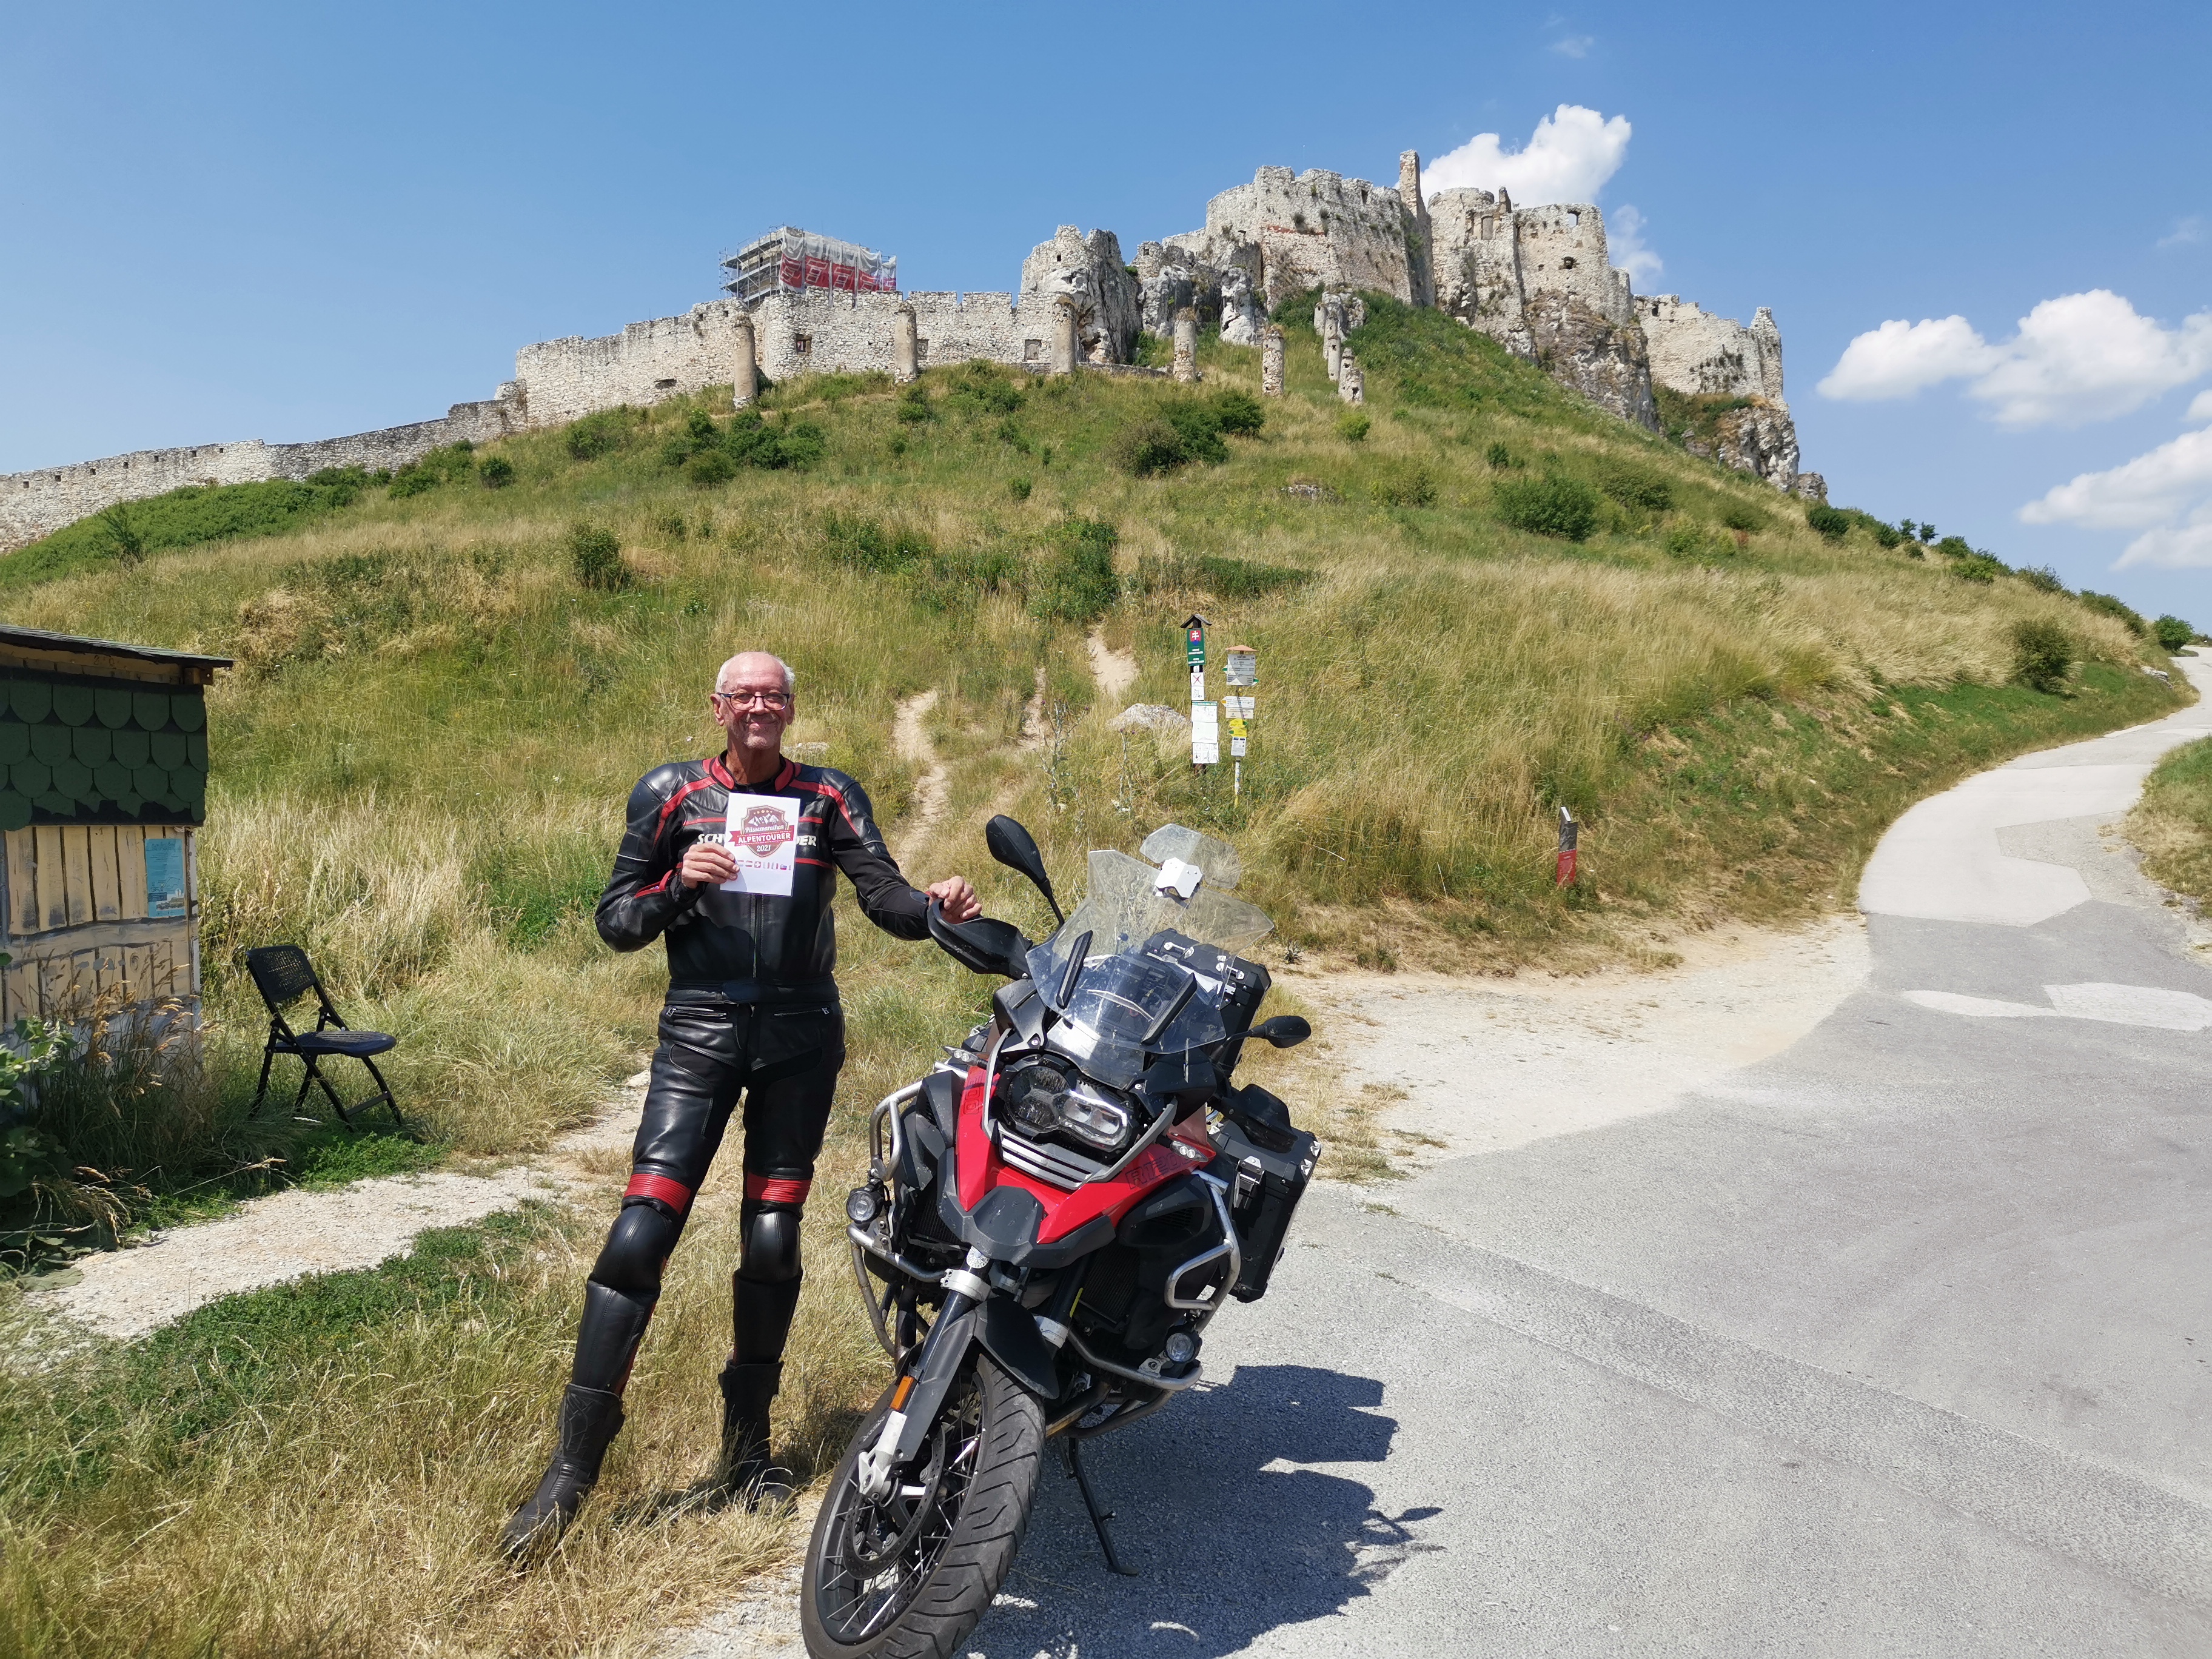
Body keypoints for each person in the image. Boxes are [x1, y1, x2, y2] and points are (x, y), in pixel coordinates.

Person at [502, 650, 977, 1557]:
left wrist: (936, 906)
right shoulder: (671, 793)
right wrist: (679, 882)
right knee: (640, 1233)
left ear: (790, 709)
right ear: (717, 708)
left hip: (800, 1035)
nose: (760, 707)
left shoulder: (828, 796)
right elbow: (616, 922)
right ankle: (570, 1473)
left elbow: (882, 894)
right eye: (744, 696)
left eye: (775, 696)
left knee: (771, 1235)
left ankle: (748, 1446)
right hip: (700, 1029)